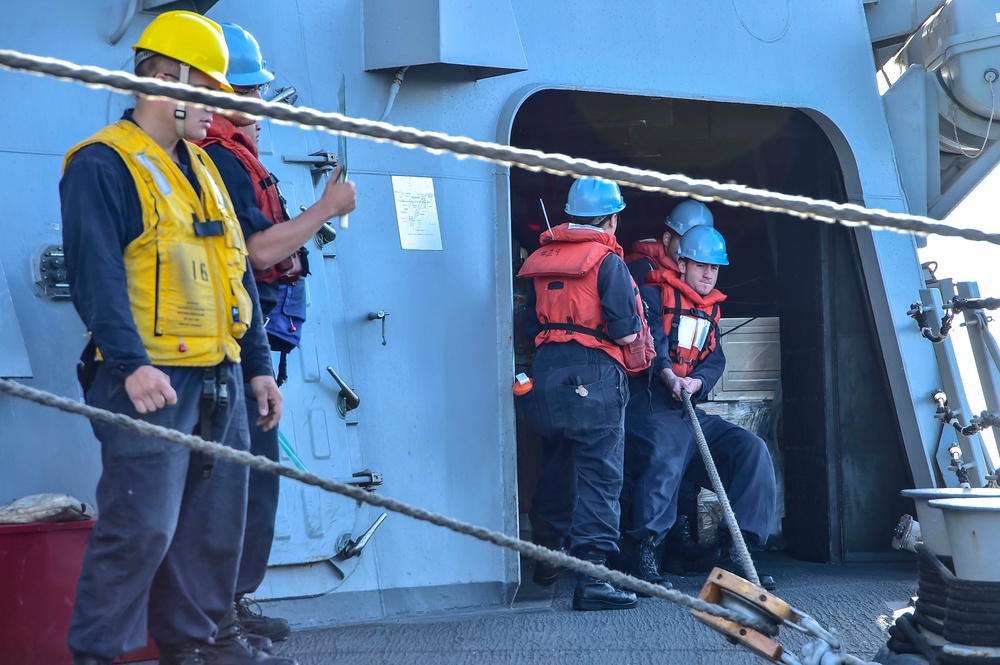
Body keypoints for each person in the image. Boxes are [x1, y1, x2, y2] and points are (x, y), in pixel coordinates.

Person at [60, 11, 295, 665]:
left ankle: (198, 643)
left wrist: (258, 366)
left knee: (213, 527)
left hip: (219, 375)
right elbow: (95, 271)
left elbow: (236, 273)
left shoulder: (206, 167)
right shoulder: (102, 165)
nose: (218, 110)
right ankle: (97, 652)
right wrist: (129, 362)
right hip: (149, 380)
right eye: (208, 92)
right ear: (165, 82)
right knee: (141, 525)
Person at [196, 22, 357, 646]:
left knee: (255, 479)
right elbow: (258, 251)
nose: (263, 103)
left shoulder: (233, 159)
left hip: (252, 344)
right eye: (252, 90)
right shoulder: (220, 161)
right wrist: (325, 210)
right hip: (229, 347)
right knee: (233, 482)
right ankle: (215, 618)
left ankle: (231, 601)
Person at [624, 225, 777, 591]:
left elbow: (714, 360)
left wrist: (697, 382)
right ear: (682, 264)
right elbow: (652, 343)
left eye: (714, 268)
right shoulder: (651, 293)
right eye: (701, 266)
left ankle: (736, 552)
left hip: (688, 407)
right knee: (669, 449)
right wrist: (667, 376)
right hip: (650, 406)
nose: (709, 274)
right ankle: (642, 552)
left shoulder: (710, 310)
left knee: (751, 450)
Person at [517, 177, 646, 611]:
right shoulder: (608, 262)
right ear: (610, 219)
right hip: (594, 372)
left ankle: (548, 555)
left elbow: (531, 326)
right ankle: (593, 579)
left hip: (545, 372)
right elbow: (626, 330)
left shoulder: (541, 260)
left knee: (558, 461)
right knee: (600, 475)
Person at [624, 199, 714, 287]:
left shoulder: (701, 278)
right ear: (667, 239)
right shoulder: (641, 268)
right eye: (684, 240)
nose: (691, 249)